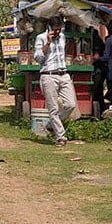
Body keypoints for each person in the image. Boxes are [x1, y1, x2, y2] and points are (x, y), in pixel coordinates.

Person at [33, 17, 78, 146]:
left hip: (63, 74)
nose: (57, 32)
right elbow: (38, 58)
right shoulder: (41, 38)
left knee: (70, 104)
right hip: (48, 75)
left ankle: (52, 125)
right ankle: (61, 137)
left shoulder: (63, 37)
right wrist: (48, 43)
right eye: (55, 30)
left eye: (59, 30)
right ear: (50, 28)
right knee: (52, 108)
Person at [90, 27, 107, 116]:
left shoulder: (96, 42)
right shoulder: (98, 40)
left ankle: (99, 112)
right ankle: (101, 111)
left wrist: (90, 60)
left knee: (97, 92)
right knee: (98, 92)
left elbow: (96, 57)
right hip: (100, 69)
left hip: (99, 69)